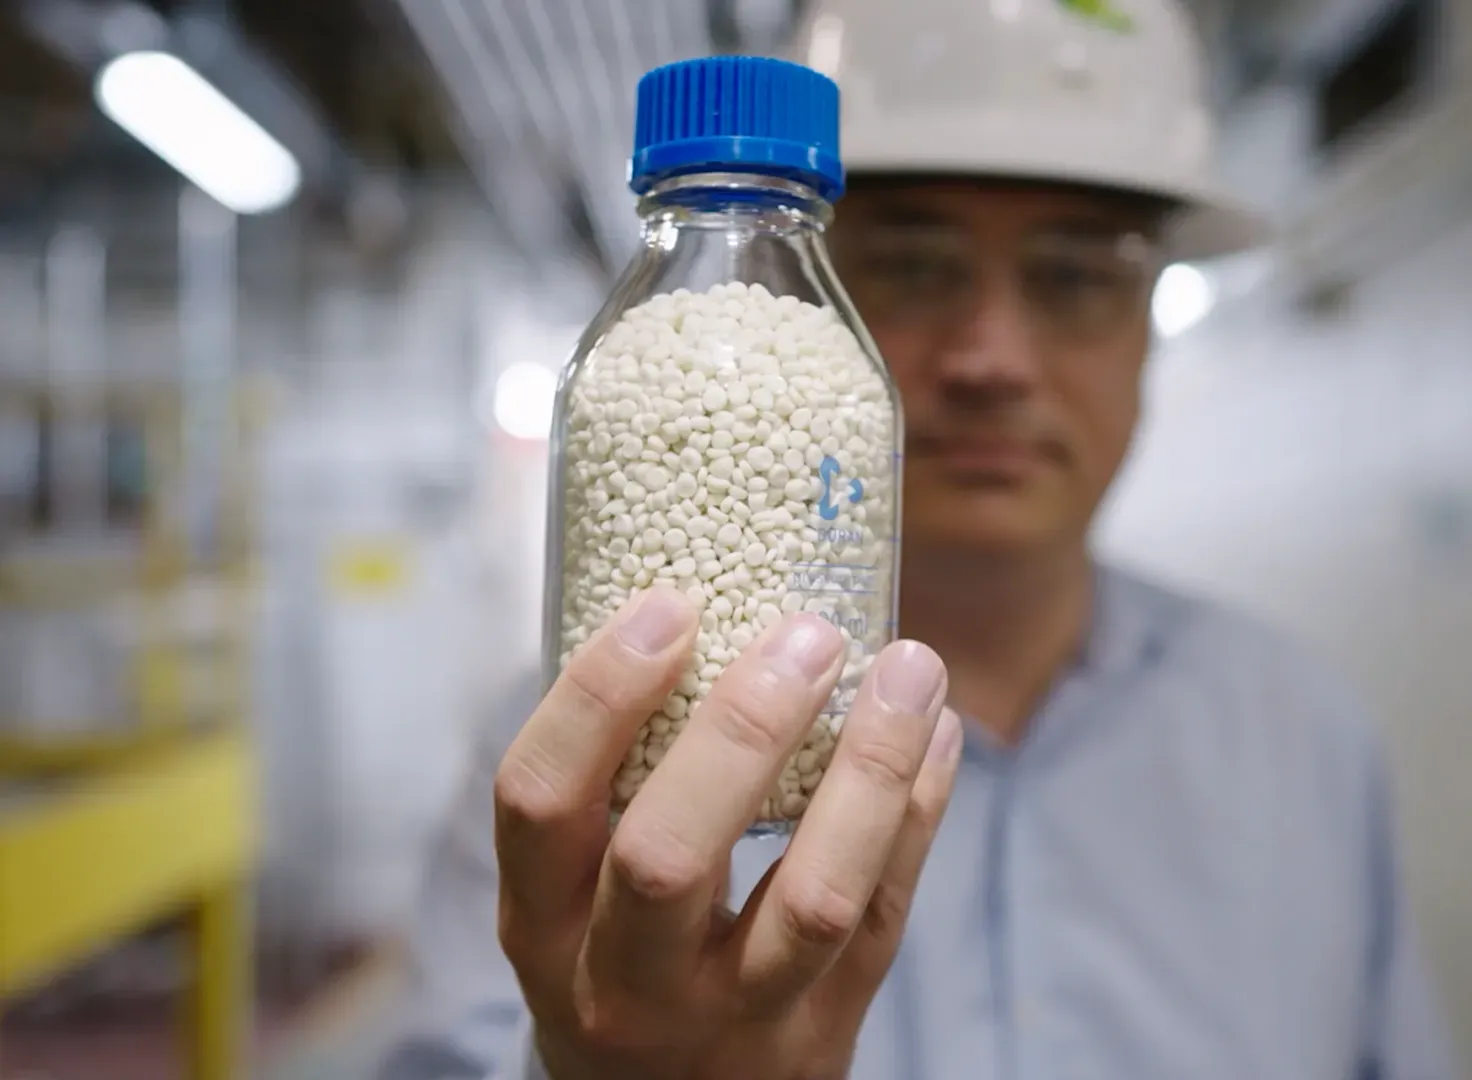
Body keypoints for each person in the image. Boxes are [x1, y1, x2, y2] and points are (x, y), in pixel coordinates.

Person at [378, 1, 1460, 1077]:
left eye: (1075, 276)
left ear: (1146, 325)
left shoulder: (1304, 743)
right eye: (911, 262)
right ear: (800, 290)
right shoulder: (578, 765)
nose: (990, 356)